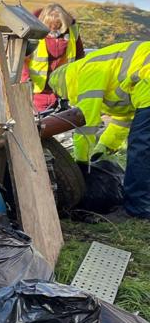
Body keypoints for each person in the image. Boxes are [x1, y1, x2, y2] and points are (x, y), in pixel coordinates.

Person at [49, 42, 150, 217]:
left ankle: (138, 209)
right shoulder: (106, 72)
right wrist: (102, 148)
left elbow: (85, 122)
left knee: (141, 148)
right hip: (145, 83)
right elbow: (122, 120)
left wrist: (81, 162)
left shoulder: (87, 71)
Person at [21, 3, 84, 111]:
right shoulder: (32, 33)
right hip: (39, 92)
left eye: (58, 28)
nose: (54, 32)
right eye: (50, 29)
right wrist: (25, 83)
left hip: (63, 91)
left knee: (63, 124)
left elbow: (79, 57)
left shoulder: (73, 31)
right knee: (40, 124)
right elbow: (22, 60)